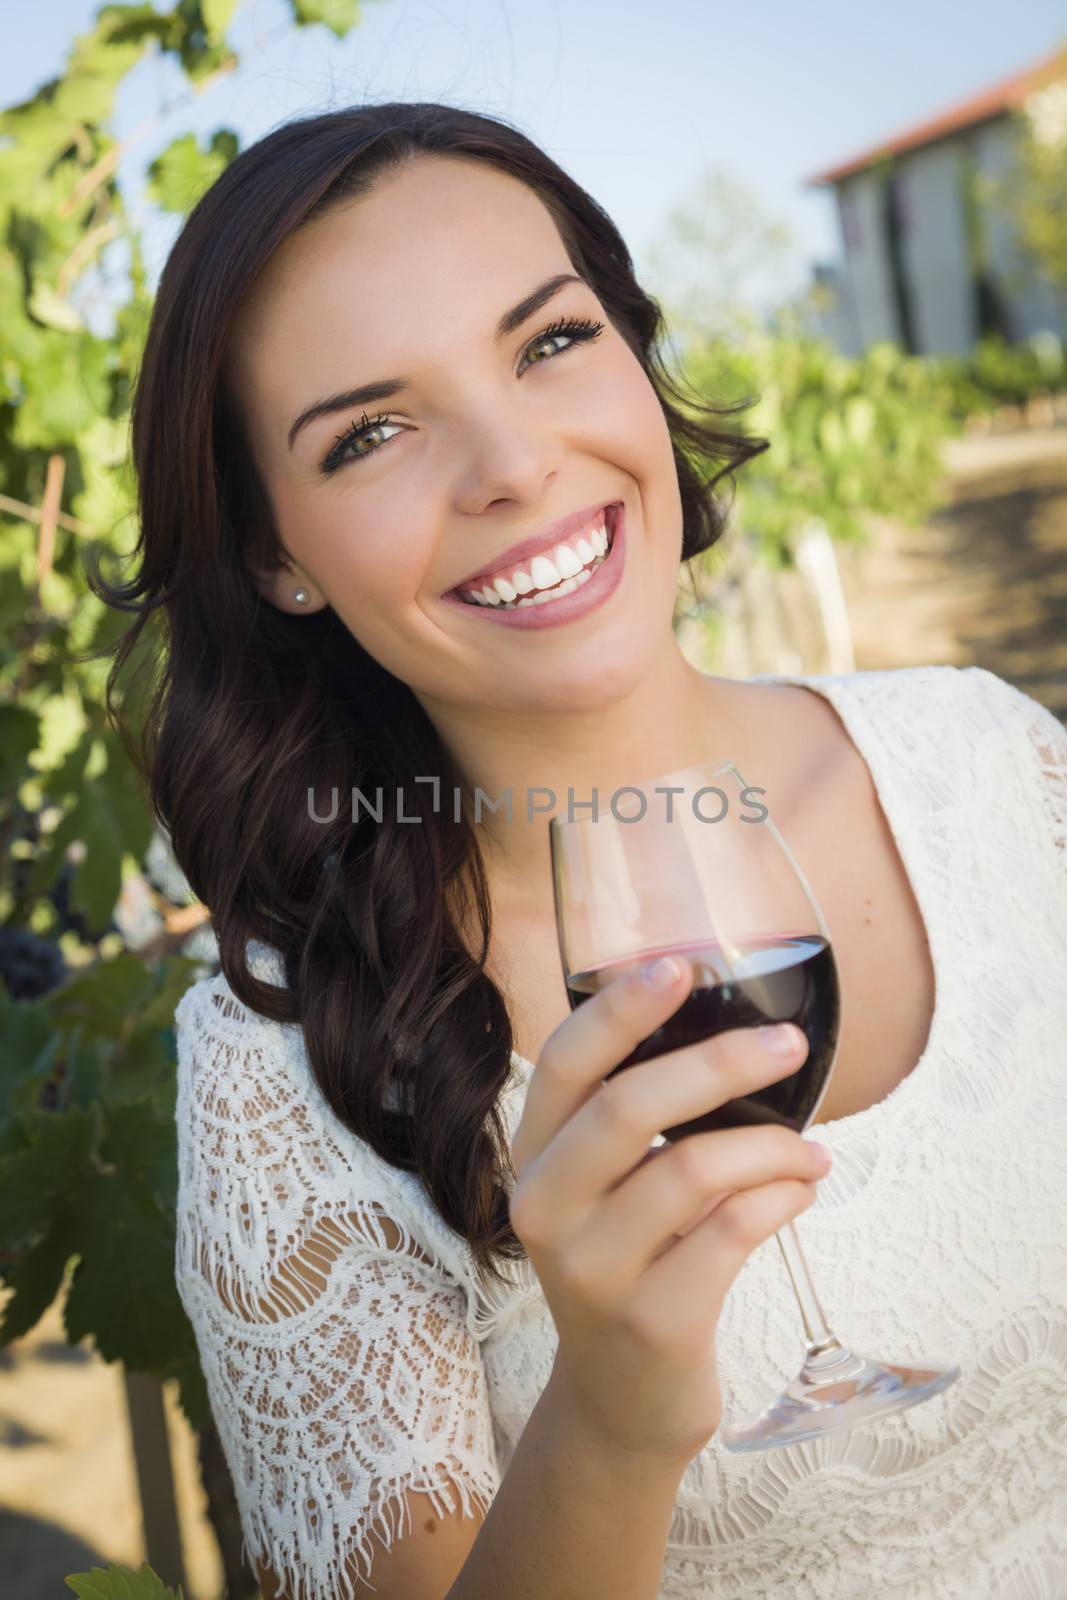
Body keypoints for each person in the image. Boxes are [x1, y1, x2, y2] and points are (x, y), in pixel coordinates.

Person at [95, 102, 1067, 1600]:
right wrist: (609, 1422)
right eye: (370, 433)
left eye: (549, 342)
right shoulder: (279, 1061)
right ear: (275, 555)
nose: (512, 464)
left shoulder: (997, 760)